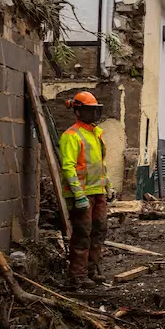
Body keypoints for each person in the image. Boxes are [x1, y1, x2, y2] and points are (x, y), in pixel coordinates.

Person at [58, 91, 113, 284]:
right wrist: (78, 195)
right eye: (90, 110)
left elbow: (99, 164)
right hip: (82, 194)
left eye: (95, 110)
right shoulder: (71, 135)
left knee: (99, 230)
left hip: (98, 192)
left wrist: (108, 186)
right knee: (82, 232)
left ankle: (92, 271)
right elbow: (68, 167)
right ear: (78, 111)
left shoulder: (95, 134)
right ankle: (77, 275)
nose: (93, 115)